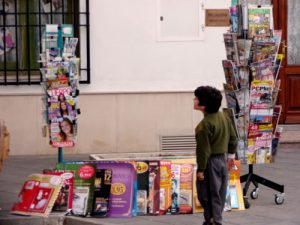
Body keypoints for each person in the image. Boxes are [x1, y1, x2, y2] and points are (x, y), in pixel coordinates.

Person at [193, 86, 237, 225]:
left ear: (203, 105)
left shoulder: (204, 125)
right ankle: (215, 219)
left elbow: (203, 150)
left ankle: (213, 221)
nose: (194, 100)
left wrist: (201, 169)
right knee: (219, 192)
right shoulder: (224, 118)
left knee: (206, 193)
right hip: (222, 160)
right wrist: (231, 157)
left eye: (196, 98)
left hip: (210, 162)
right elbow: (233, 138)